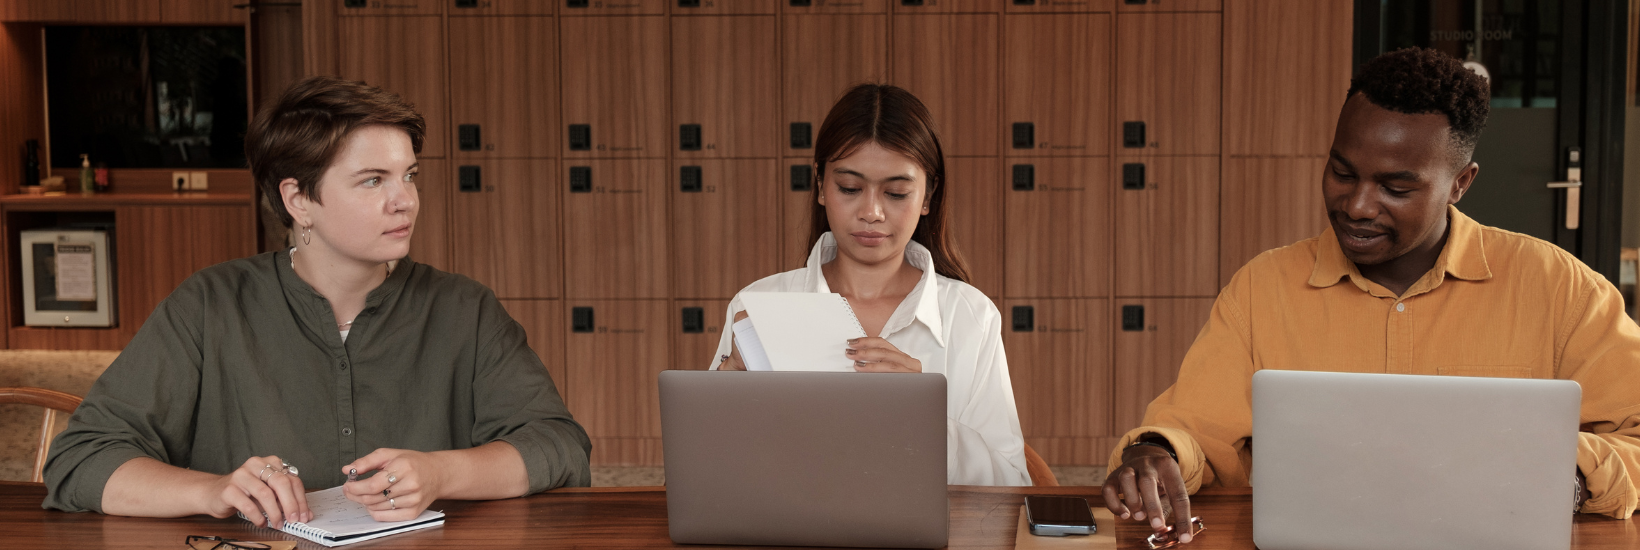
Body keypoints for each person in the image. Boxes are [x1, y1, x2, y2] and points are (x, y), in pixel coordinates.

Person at [1102, 47, 1640, 543]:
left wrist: (1558, 472)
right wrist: (1156, 451)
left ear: (1460, 183)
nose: (1357, 205)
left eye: (1396, 187)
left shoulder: (1560, 289)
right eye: (1342, 172)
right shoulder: (1263, 288)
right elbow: (1196, 427)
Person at [43, 76, 591, 526]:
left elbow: (557, 446)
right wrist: (214, 491)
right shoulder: (210, 305)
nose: (405, 201)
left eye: (409, 176)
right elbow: (81, 459)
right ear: (298, 199)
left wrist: (443, 473)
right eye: (373, 180)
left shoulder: (464, 309)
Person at [711, 83, 1030, 486]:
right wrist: (723, 397)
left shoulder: (972, 316)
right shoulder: (758, 304)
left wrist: (920, 417)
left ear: (928, 196)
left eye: (896, 193)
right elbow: (708, 472)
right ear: (821, 186)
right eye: (849, 188)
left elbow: (1010, 482)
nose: (872, 212)